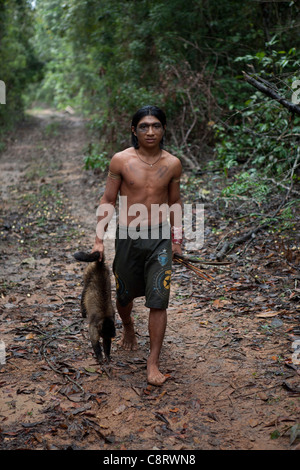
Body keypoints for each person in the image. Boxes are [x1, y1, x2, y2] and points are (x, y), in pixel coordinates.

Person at [92, 105, 183, 386]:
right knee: (123, 297)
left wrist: (177, 240)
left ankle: (152, 362)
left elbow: (175, 202)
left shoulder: (173, 164)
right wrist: (98, 240)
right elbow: (108, 201)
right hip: (128, 237)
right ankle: (129, 327)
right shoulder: (121, 161)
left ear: (164, 129)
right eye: (144, 126)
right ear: (134, 130)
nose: (151, 131)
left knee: (159, 298)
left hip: (160, 239)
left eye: (156, 125)